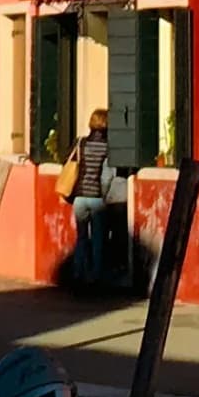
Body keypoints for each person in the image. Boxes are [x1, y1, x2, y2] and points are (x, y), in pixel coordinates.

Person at [63, 108, 115, 290]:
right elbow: (107, 176)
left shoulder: (81, 143)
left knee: (82, 238)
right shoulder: (108, 147)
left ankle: (78, 273)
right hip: (96, 199)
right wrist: (105, 194)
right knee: (99, 239)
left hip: (79, 199)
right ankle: (95, 276)